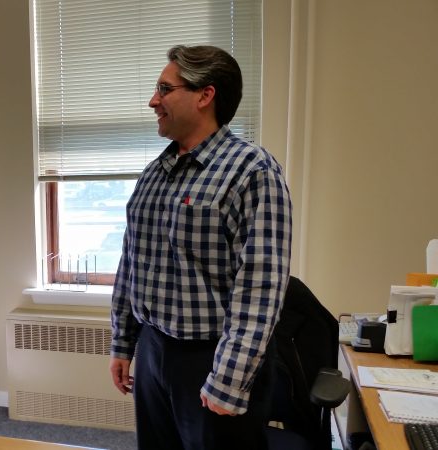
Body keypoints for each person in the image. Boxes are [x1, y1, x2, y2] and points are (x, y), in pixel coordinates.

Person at [109, 45, 292, 450]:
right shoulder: (154, 174)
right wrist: (123, 342)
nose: (153, 101)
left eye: (164, 89)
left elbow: (261, 286)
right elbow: (132, 263)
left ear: (204, 95)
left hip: (213, 357)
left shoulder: (252, 170)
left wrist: (229, 378)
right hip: (154, 349)